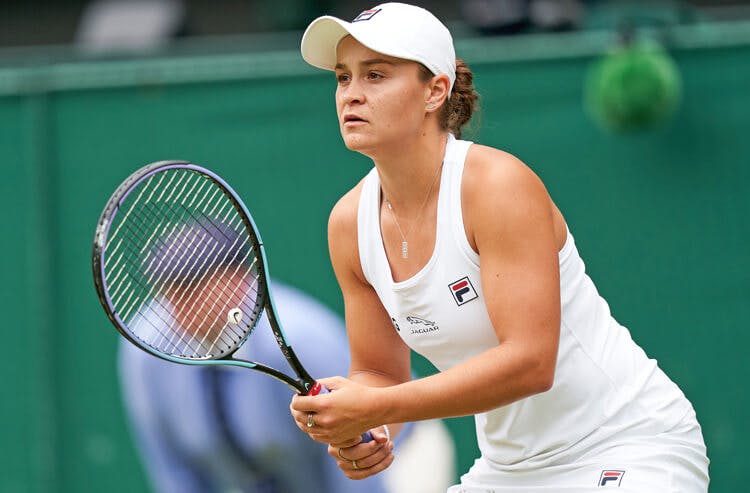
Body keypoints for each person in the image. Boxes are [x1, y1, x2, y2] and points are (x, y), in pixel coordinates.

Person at [289, 3, 710, 492]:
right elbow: (379, 371)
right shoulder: (348, 223)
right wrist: (366, 427)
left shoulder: (497, 186)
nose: (352, 95)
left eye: (376, 75)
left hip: (628, 444)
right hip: (509, 471)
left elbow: (531, 362)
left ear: (435, 91)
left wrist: (380, 405)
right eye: (343, 79)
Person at [119, 220, 455, 493]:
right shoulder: (149, 349)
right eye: (169, 293)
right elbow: (173, 467)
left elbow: (354, 455)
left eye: (193, 291)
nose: (179, 309)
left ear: (240, 281)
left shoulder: (304, 338)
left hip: (389, 458)